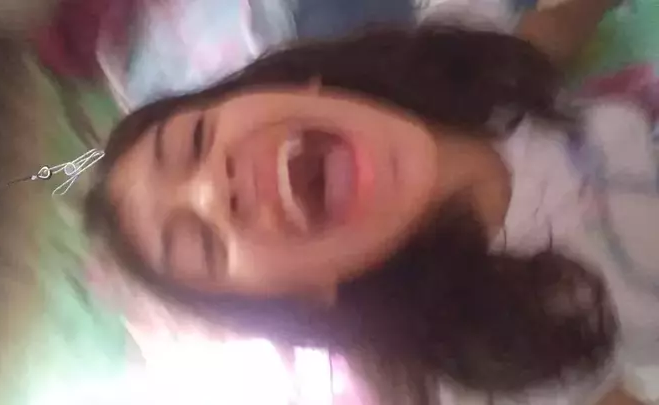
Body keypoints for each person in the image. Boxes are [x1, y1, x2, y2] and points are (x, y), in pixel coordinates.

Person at [85, 0, 659, 403]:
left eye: (195, 140)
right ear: (303, 295)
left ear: (286, 87)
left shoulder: (450, 51)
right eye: (202, 245)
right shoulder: (491, 372)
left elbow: (543, 39)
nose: (215, 190)